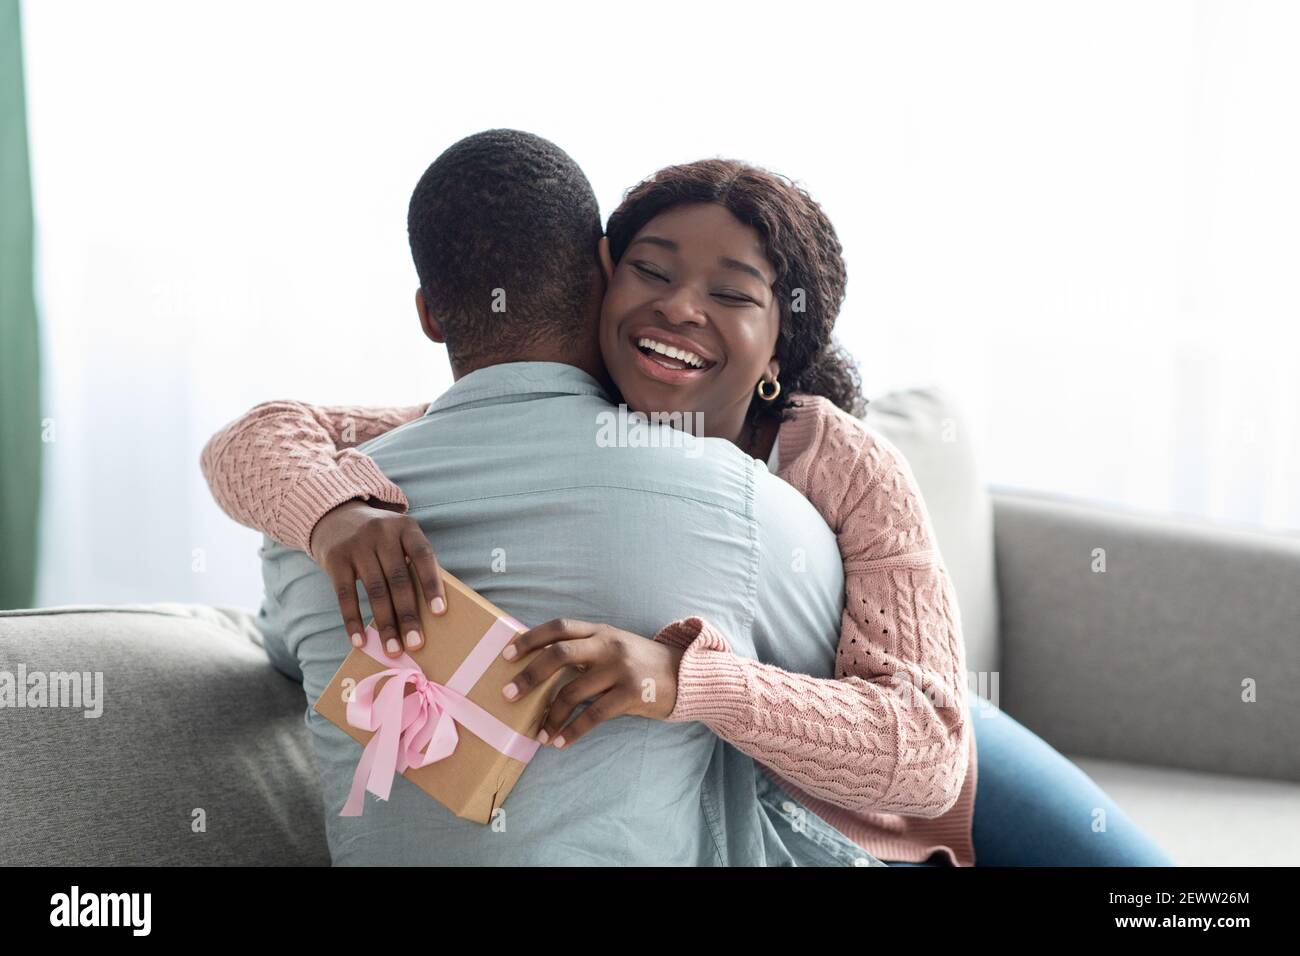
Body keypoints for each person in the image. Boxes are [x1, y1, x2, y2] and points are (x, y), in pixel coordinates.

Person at [205, 130, 1174, 866]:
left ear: (777, 348)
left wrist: (688, 681)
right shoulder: (525, 416)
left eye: (732, 293)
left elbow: (925, 752)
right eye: (652, 272)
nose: (678, 307)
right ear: (595, 284)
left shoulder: (836, 464)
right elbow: (263, 434)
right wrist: (341, 512)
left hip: (896, 745)